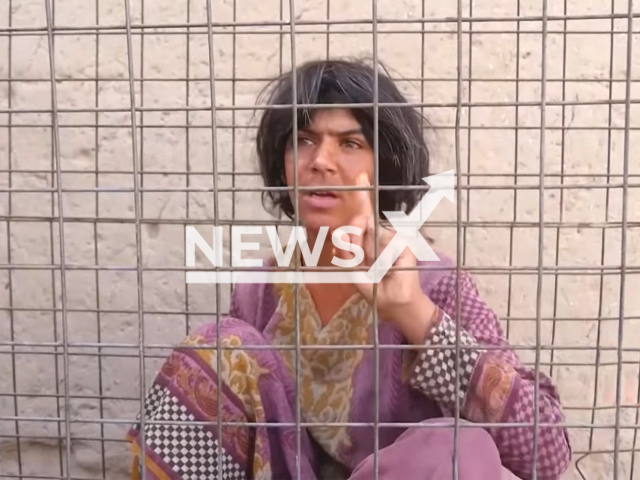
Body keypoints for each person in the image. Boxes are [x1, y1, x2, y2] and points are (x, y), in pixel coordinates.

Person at [126, 59, 572, 480]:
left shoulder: (433, 283)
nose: (320, 160)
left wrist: (415, 314)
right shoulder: (259, 291)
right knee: (216, 348)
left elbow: (548, 453)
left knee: (453, 447)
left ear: (385, 166)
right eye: (302, 140)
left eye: (350, 143)